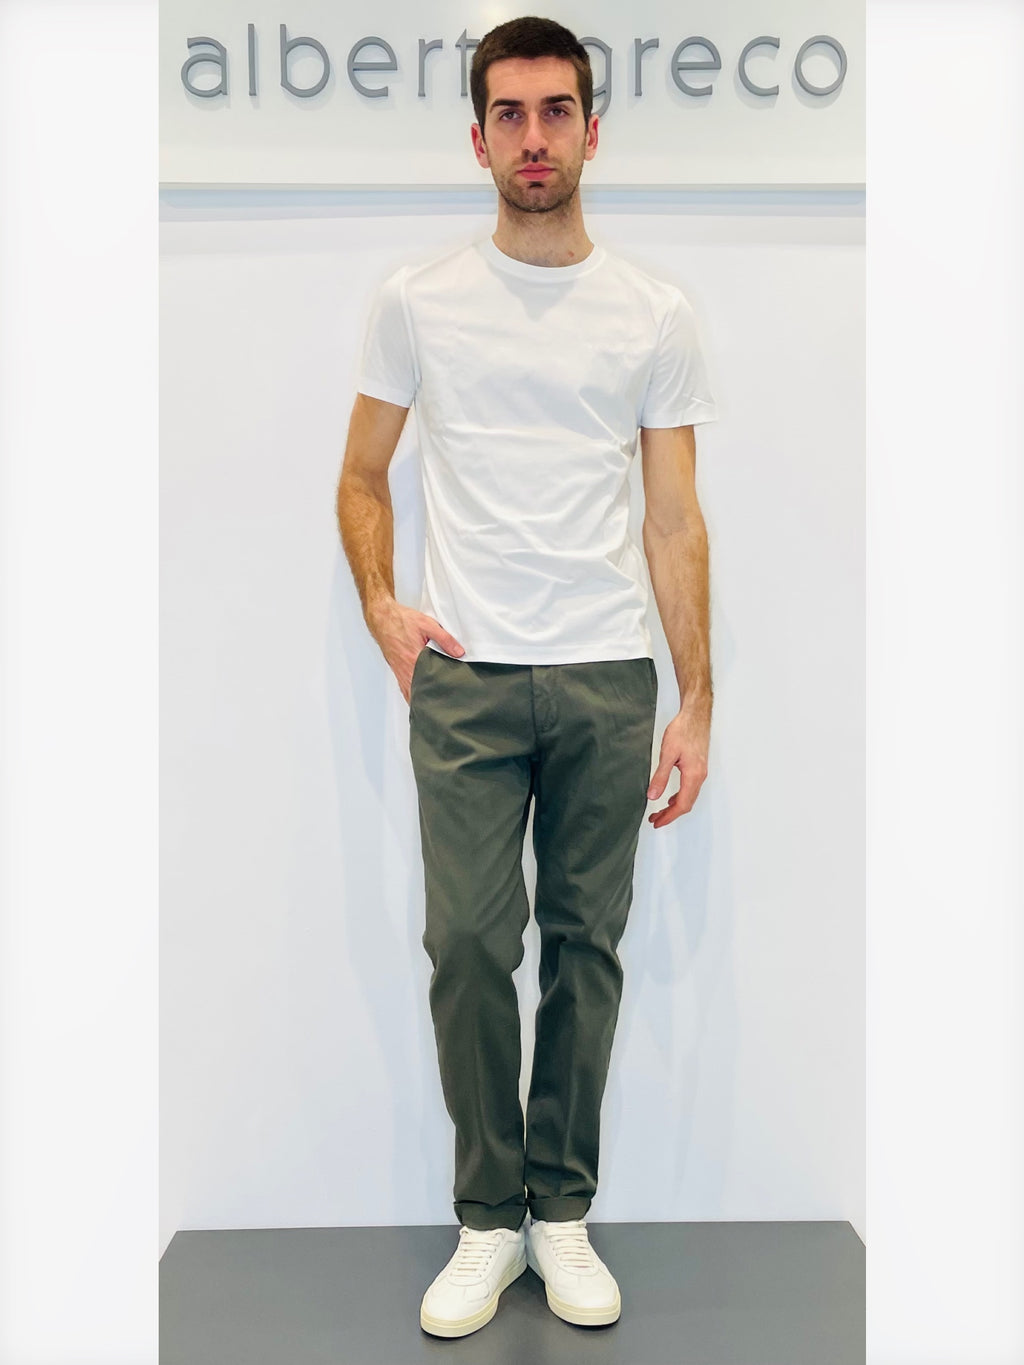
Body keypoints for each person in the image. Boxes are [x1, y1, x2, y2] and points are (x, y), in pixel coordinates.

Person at [336, 14, 718, 1341]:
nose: (535, 137)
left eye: (558, 111)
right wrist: (383, 609)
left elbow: (675, 517)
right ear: (479, 136)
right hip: (469, 681)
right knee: (465, 945)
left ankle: (562, 1212)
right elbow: (361, 475)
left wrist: (697, 697)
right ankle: (487, 1219)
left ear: (592, 130)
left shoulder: (653, 313)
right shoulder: (418, 300)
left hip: (608, 675)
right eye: (511, 113)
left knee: (584, 950)